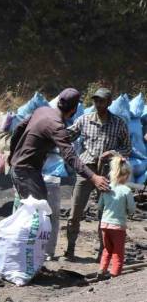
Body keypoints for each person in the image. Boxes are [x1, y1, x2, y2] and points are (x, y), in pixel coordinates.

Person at [63, 88, 131, 260]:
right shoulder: (84, 120)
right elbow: (67, 136)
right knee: (75, 213)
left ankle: (103, 251)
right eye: (96, 101)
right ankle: (70, 250)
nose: (98, 104)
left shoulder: (118, 123)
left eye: (102, 101)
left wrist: (113, 152)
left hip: (108, 173)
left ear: (109, 103)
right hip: (86, 171)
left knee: (105, 215)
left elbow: (128, 148)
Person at [9, 88, 110, 202]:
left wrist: (12, 155)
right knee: (39, 212)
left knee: (30, 211)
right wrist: (94, 177)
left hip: (21, 169)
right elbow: (70, 157)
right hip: (26, 173)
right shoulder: (56, 126)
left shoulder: (42, 110)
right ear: (74, 109)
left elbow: (18, 129)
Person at [97, 156, 136, 278]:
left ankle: (102, 270)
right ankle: (115, 274)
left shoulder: (106, 188)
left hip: (104, 224)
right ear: (126, 175)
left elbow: (100, 206)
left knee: (107, 249)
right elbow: (131, 209)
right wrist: (128, 212)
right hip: (118, 226)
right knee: (118, 252)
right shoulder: (126, 190)